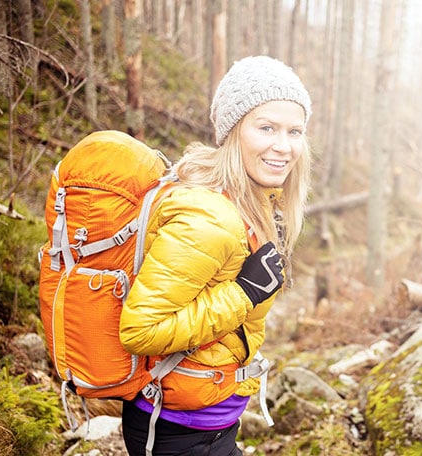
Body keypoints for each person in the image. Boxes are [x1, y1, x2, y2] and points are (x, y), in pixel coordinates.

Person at [119, 55, 312, 456]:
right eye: (266, 128)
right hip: (176, 431)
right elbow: (139, 331)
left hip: (208, 420)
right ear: (232, 132)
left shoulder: (250, 204)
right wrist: (244, 293)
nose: (284, 146)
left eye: (295, 131)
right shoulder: (210, 217)